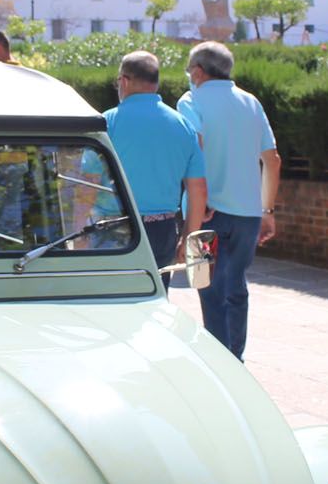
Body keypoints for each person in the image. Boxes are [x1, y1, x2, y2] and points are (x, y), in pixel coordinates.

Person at [176, 41, 280, 361]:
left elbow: (197, 147)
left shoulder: (191, 100)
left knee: (209, 287)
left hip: (209, 211)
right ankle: (236, 355)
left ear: (198, 71)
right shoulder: (250, 102)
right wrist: (267, 210)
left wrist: (199, 201)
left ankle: (222, 362)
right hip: (249, 213)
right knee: (236, 286)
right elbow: (272, 159)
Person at [104, 51, 205, 269]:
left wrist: (77, 230)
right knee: (155, 298)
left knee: (112, 299)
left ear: (124, 81)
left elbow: (88, 181)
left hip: (114, 229)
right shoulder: (183, 126)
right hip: (163, 229)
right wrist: (188, 238)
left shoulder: (108, 122)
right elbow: (197, 189)